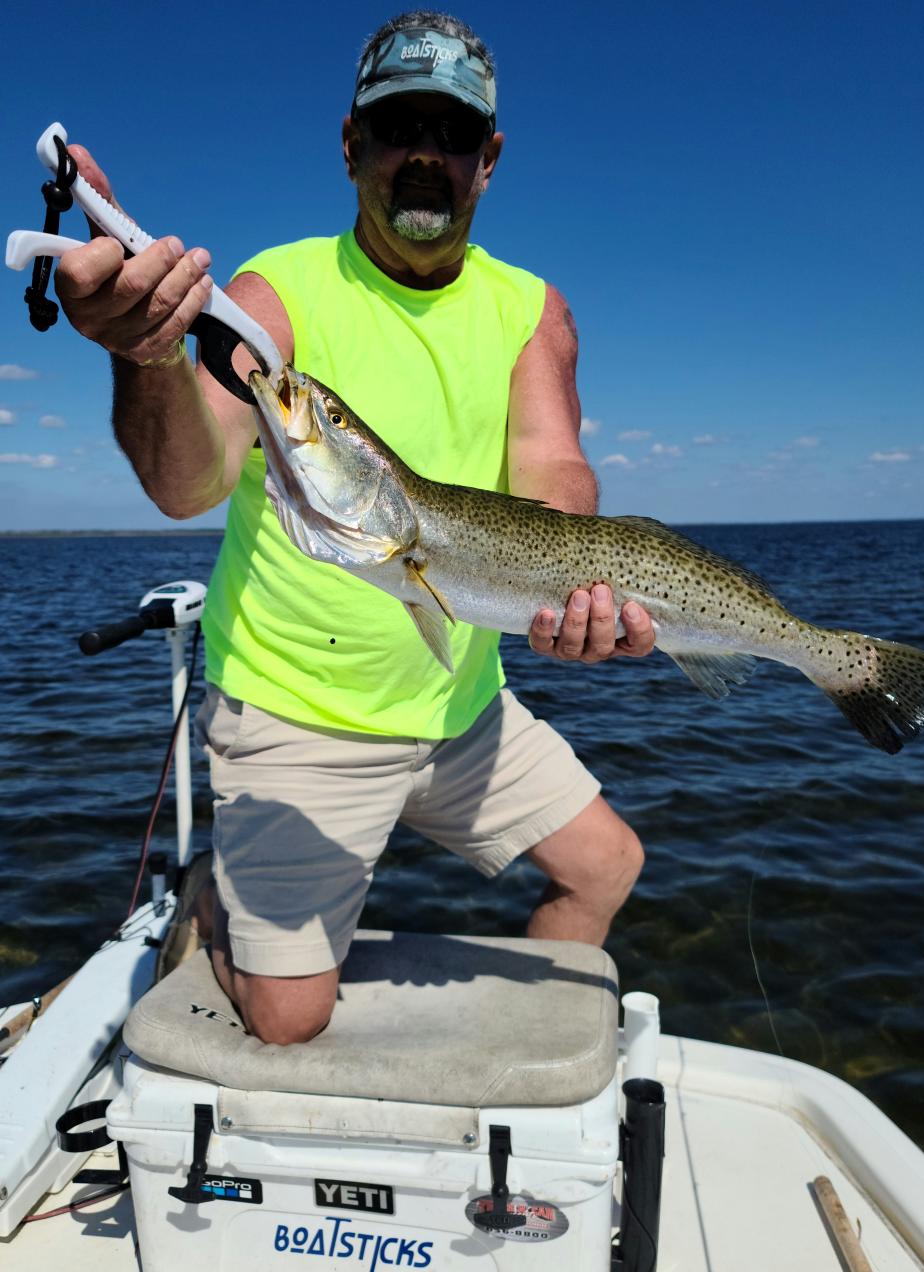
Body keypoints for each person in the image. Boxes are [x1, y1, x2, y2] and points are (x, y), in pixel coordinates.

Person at [56, 11, 654, 1045]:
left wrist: (578, 582)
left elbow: (554, 465)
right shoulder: (272, 295)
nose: (425, 154)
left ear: (489, 159)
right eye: (397, 128)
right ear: (351, 146)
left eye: (452, 133)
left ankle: (519, 1071)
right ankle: (217, 904)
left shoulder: (532, 308)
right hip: (299, 713)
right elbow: (188, 481)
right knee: (289, 1023)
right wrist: (148, 356)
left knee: (609, 867)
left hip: (463, 703)